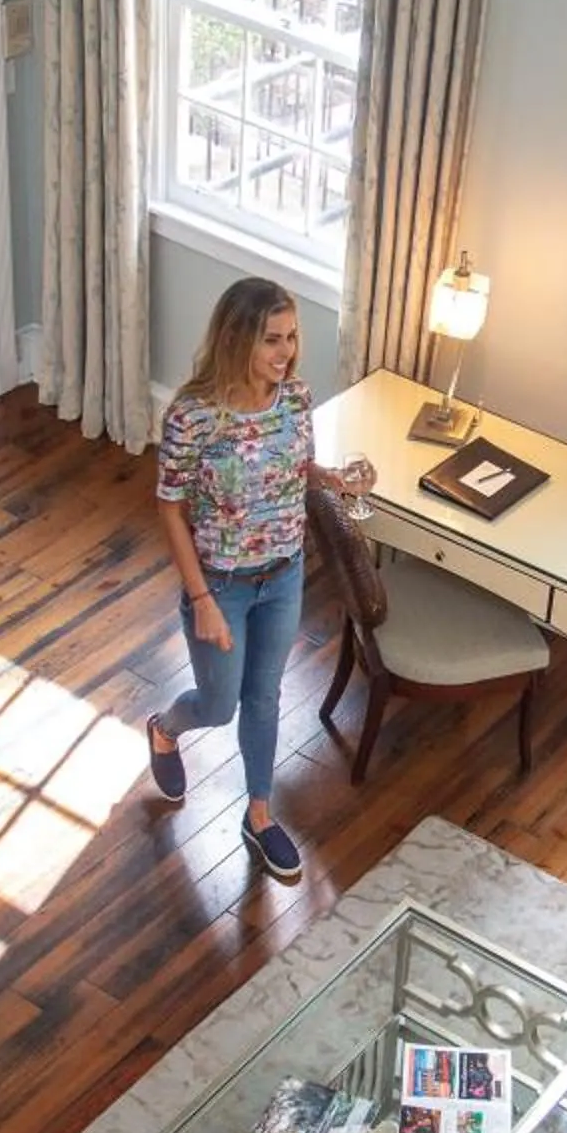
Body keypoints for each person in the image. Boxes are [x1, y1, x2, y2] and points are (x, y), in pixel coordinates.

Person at [144, 278, 366, 883]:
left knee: (264, 697)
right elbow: (169, 507)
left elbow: (293, 469)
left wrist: (330, 479)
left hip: (284, 574)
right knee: (218, 706)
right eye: (273, 339)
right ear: (237, 338)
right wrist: (201, 600)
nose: (287, 352)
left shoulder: (294, 399)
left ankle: (260, 817)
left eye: (292, 337)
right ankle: (165, 730)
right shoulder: (194, 417)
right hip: (222, 585)